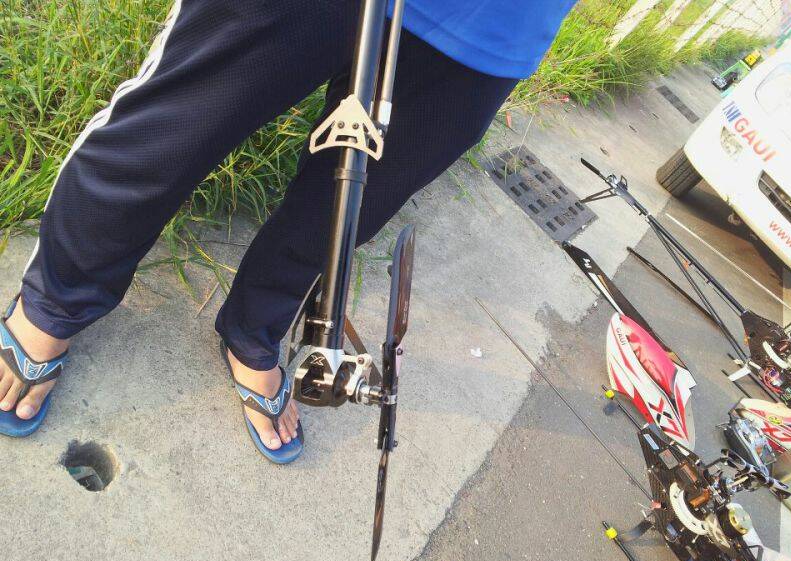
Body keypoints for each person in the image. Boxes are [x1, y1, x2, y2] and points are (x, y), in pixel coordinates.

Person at [0, 0, 576, 462]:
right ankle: (56, 299)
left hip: (494, 20)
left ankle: (255, 329)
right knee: (177, 127)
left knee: (348, 205)